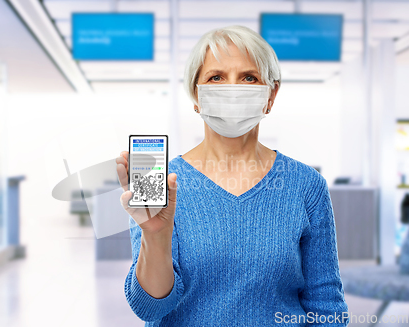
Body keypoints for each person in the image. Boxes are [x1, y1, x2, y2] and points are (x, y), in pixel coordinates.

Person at [115, 25, 349, 326]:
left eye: (249, 77)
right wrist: (155, 234)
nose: (233, 89)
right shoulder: (165, 181)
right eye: (216, 77)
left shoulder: (305, 185)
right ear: (195, 95)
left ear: (271, 94)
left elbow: (326, 306)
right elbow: (149, 309)